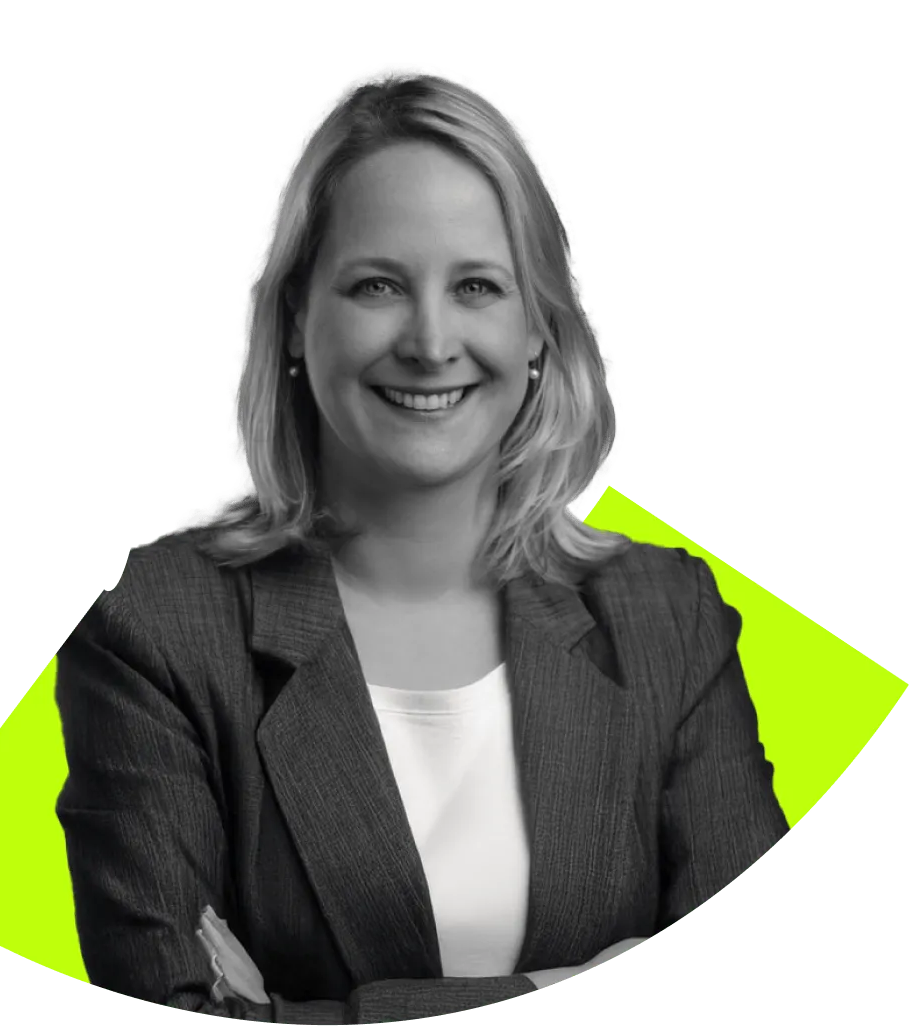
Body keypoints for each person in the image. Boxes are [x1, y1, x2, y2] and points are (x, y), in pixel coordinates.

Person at [55, 61, 789, 1025]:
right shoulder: (154, 627)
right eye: (377, 285)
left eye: (477, 285)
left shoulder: (667, 618)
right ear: (294, 318)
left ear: (538, 327)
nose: (431, 340)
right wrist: (557, 991)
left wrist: (297, 1014)